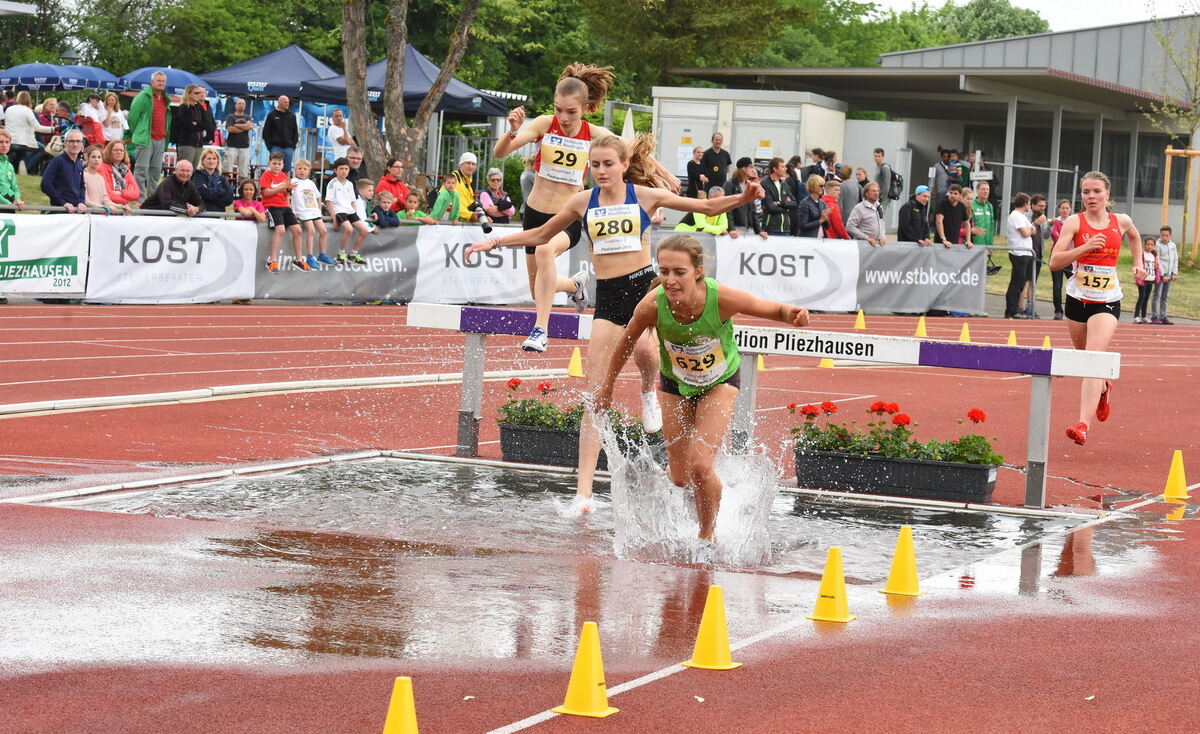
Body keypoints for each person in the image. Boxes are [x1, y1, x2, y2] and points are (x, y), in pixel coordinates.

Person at [466, 133, 763, 512]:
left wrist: (742, 198)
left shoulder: (644, 196)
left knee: (647, 355)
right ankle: (584, 494)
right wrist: (492, 244)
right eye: (595, 165)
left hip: (643, 291)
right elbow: (542, 234)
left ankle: (646, 393)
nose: (601, 171)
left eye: (609, 164)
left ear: (624, 165)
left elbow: (702, 208)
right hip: (607, 299)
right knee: (596, 395)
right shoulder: (582, 201)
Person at [593, 234, 810, 541]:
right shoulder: (651, 305)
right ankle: (713, 491)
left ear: (697, 271)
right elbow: (626, 342)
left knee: (699, 466)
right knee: (680, 478)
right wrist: (607, 387)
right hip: (675, 386)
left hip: (720, 383)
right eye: (664, 271)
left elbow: (771, 309)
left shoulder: (719, 298)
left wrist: (793, 315)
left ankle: (707, 537)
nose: (669, 280)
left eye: (679, 272)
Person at [490, 63, 677, 353]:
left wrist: (666, 175)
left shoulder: (595, 133)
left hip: (569, 215)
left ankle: (541, 330)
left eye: (571, 112)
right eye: (559, 110)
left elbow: (635, 150)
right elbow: (500, 152)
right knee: (537, 288)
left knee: (544, 251)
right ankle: (574, 287)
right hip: (535, 214)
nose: (564, 118)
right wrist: (512, 132)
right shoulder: (543, 124)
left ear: (586, 107)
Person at [1049, 171, 1143, 445]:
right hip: (1078, 300)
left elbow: (1135, 237)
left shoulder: (1121, 221)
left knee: (1092, 358)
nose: (1091, 196)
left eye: (1096, 192)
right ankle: (1103, 388)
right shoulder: (1073, 222)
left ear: (1107, 195)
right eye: (1086, 192)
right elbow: (1055, 261)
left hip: (1107, 301)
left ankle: (1082, 424)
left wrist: (1138, 263)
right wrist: (1085, 247)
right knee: (1084, 362)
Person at [260, 151, 307, 272]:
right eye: (274, 163)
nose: (276, 166)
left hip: (284, 206)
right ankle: (272, 260)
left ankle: (298, 260)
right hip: (271, 206)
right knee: (280, 230)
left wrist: (289, 191)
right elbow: (266, 193)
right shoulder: (266, 175)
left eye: (279, 163)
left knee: (298, 231)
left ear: (282, 165)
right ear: (268, 164)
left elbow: (286, 194)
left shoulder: (284, 176)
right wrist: (280, 187)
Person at [129, 71, 172, 197]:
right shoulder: (143, 96)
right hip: (146, 138)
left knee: (156, 170)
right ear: (152, 82)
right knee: (141, 169)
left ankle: (153, 198)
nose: (161, 83)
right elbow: (132, 118)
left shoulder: (165, 98)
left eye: (163, 81)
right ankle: (140, 198)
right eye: (158, 80)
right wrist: (138, 132)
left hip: (161, 138)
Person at [325, 159, 369, 264]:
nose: (344, 171)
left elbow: (353, 201)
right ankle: (341, 253)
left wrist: (356, 214)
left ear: (349, 170)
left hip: (350, 211)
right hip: (339, 211)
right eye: (341, 169)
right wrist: (334, 218)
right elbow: (329, 201)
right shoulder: (332, 183)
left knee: (364, 230)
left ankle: (353, 254)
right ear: (335, 170)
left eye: (346, 169)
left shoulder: (350, 184)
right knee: (349, 229)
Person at [290, 158, 331, 269]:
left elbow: (317, 196)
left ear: (308, 171)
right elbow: (289, 196)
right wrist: (292, 211)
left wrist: (318, 209)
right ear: (295, 170)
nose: (302, 171)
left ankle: (322, 254)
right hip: (302, 211)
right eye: (299, 168)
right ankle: (310, 256)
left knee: (323, 231)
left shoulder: (311, 183)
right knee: (311, 231)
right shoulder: (292, 182)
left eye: (305, 169)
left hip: (313, 210)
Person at [1005, 193, 1036, 318]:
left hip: (1025, 252)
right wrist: (1030, 230)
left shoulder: (1022, 216)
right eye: (1028, 203)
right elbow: (1026, 232)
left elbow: (1032, 229)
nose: (1029, 206)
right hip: (1019, 253)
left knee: (1020, 281)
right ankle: (1012, 310)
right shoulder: (1016, 215)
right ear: (1025, 204)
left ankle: (1014, 308)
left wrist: (1031, 230)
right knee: (1017, 282)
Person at [4, 91, 51, 174]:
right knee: (41, 148)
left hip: (9, 140)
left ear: (17, 98)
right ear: (29, 100)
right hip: (23, 141)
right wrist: (53, 129)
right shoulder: (28, 111)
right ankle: (25, 166)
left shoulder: (9, 109)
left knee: (20, 152)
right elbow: (38, 128)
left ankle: (17, 168)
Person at [40, 129, 87, 213]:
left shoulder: (79, 164)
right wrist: (62, 202)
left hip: (76, 211)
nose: (75, 144)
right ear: (65, 143)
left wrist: (81, 202)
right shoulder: (57, 161)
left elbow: (81, 186)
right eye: (71, 141)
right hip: (60, 211)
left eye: (78, 141)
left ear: (82, 144)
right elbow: (45, 184)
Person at [171, 85, 215, 170]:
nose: (199, 95)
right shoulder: (183, 108)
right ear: (188, 94)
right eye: (196, 93)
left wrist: (197, 124)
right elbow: (190, 126)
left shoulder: (199, 108)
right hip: (186, 144)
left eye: (200, 93)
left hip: (198, 144)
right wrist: (200, 125)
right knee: (185, 170)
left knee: (195, 171)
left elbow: (208, 123)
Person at [723, 158, 767, 239]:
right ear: (744, 168)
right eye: (750, 167)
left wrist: (759, 230)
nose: (753, 170)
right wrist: (731, 228)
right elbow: (727, 208)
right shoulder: (730, 184)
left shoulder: (749, 185)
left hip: (749, 228)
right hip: (736, 228)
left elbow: (753, 210)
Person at [1024, 194, 1051, 318]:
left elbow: (1045, 236)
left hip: (1038, 253)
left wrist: (1049, 225)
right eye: (1040, 206)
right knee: (1024, 281)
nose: (1042, 208)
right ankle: (1021, 307)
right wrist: (1035, 223)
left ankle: (1030, 308)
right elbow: (1025, 231)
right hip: (1027, 252)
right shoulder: (1025, 216)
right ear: (1033, 205)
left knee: (1032, 282)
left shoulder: (1043, 217)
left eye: (1044, 206)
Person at [1048, 199, 1073, 320]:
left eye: (1067, 208)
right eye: (1063, 208)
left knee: (1073, 285)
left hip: (1070, 258)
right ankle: (1058, 311)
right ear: (1059, 209)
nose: (1065, 210)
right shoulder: (1056, 222)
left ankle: (1071, 310)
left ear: (1070, 209)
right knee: (1057, 286)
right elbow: (1055, 236)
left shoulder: (1074, 222)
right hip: (1058, 257)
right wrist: (1065, 240)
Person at [81, 144, 125, 213]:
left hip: (98, 215)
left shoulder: (100, 178)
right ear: (87, 158)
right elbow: (85, 200)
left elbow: (105, 199)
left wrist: (119, 206)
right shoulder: (82, 175)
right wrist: (103, 207)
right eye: (93, 157)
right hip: (86, 215)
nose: (96, 160)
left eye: (99, 157)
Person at [98, 140, 140, 207]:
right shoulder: (102, 168)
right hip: (107, 208)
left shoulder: (126, 169)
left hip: (124, 208)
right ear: (109, 152)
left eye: (121, 150)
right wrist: (127, 197)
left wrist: (121, 192)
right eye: (116, 150)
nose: (119, 152)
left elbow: (136, 194)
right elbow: (108, 194)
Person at [262, 96, 299, 172]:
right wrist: (270, 147)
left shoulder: (292, 116)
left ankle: (285, 184)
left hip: (289, 148)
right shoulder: (271, 115)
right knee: (275, 170)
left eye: (288, 102)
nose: (287, 104)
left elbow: (295, 132)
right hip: (275, 147)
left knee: (286, 171)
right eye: (285, 102)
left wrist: (293, 147)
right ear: (279, 103)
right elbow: (266, 132)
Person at [761, 157, 797, 235]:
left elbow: (794, 203)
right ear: (775, 169)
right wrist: (787, 207)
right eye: (783, 167)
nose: (786, 168)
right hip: (771, 229)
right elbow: (771, 207)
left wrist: (780, 203)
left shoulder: (784, 183)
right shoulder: (765, 183)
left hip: (785, 228)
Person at [193, 147, 233, 213]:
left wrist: (210, 196)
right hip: (201, 216)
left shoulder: (222, 178)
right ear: (203, 161)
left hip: (220, 217)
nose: (212, 161)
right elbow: (204, 194)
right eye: (209, 158)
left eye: (214, 159)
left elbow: (229, 199)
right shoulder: (197, 176)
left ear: (217, 161)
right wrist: (222, 191)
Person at [1152, 226, 1178, 325]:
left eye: (1167, 235)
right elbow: (1157, 260)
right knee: (1157, 295)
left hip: (1170, 275)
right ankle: (1155, 316)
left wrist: (1174, 273)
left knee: (1165, 296)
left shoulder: (1173, 246)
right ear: (1160, 235)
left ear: (1170, 236)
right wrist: (1162, 275)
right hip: (1161, 275)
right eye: (1163, 235)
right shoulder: (1157, 245)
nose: (1164, 237)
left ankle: (1163, 316)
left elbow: (1175, 259)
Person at [847, 182, 887, 246]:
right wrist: (866, 238)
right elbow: (850, 227)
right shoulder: (859, 208)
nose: (876, 193)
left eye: (877, 191)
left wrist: (883, 235)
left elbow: (882, 222)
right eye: (873, 191)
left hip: (878, 245)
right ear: (866, 193)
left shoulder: (879, 206)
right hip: (863, 245)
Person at [223, 97, 254, 176]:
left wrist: (236, 125)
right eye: (239, 103)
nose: (241, 105)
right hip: (231, 146)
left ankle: (242, 187)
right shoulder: (231, 116)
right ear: (235, 105)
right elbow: (230, 129)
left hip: (244, 147)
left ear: (245, 106)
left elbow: (250, 126)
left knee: (244, 172)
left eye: (243, 104)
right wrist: (244, 127)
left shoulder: (248, 117)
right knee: (227, 170)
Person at [1133, 237, 1159, 324]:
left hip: (1150, 279)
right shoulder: (1142, 254)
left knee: (1146, 298)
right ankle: (1137, 316)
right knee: (1141, 297)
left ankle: (1143, 316)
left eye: (1152, 245)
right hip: (1142, 280)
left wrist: (1157, 277)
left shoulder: (1154, 255)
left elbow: (1156, 267)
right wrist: (1137, 278)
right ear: (1145, 245)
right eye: (1148, 244)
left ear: (1154, 246)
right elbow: (1137, 265)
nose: (1149, 246)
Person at [452, 152, 484, 224]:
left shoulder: (467, 182)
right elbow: (451, 204)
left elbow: (467, 205)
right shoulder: (454, 178)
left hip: (461, 221)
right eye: (468, 163)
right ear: (461, 164)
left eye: (473, 164)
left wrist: (480, 216)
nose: (471, 166)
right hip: (451, 223)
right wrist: (471, 215)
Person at [0, 131, 26, 210]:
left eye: (7, 142)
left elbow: (15, 187)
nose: (4, 145)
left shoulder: (10, 165)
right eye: (0, 142)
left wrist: (17, 199)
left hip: (10, 203)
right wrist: (9, 205)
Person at [970, 181, 996, 250]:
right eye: (983, 189)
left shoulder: (990, 206)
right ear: (977, 191)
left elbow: (991, 227)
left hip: (987, 245)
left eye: (987, 189)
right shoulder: (971, 205)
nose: (986, 191)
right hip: (974, 245)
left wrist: (991, 245)